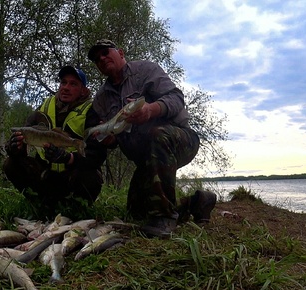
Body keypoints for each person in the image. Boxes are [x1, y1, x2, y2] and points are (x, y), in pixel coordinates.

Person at [87, 39, 217, 237]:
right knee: (137, 212)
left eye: (106, 52)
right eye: (97, 59)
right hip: (146, 161)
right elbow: (109, 137)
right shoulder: (102, 98)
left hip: (178, 140)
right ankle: (197, 202)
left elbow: (176, 98)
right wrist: (108, 140)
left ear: (120, 53)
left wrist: (150, 110)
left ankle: (164, 218)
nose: (102, 59)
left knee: (158, 134)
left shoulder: (146, 70)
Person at [3, 66, 107, 218]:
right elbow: (24, 136)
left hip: (72, 175)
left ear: (84, 90)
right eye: (63, 83)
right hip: (46, 173)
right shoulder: (44, 107)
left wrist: (68, 158)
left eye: (73, 84)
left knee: (91, 176)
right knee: (10, 164)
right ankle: (41, 206)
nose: (66, 88)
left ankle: (75, 211)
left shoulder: (91, 111)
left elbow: (97, 154)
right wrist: (14, 148)